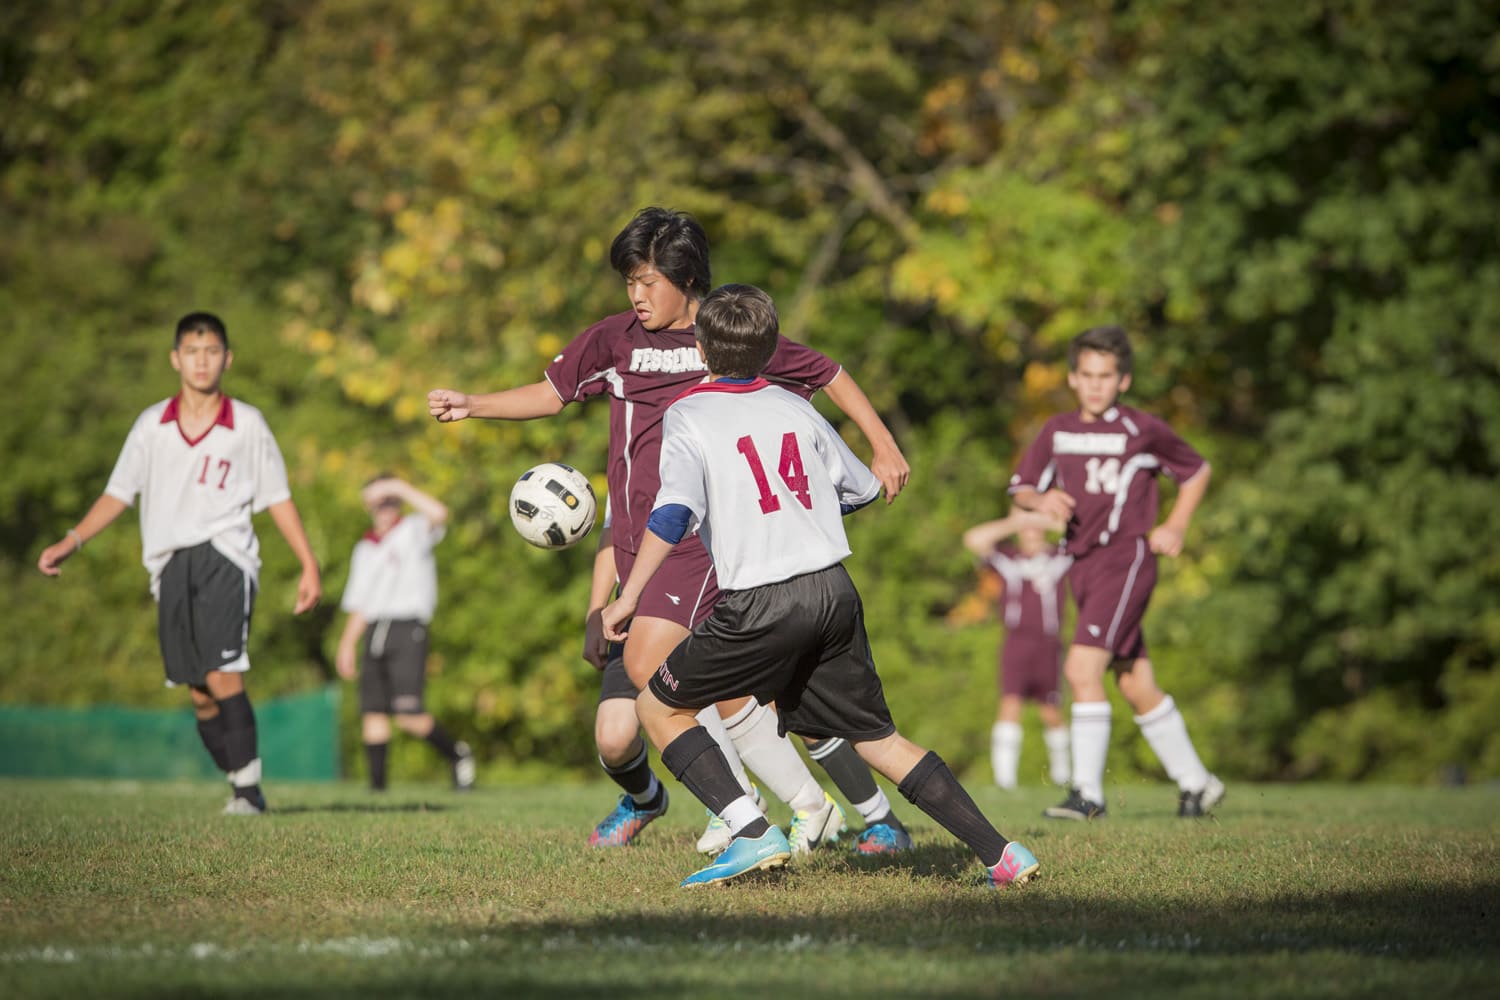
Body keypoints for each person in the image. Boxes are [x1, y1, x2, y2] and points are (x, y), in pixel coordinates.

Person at [431, 207, 913, 854]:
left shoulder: (725, 335)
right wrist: (474, 404)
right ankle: (787, 805)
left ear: (687, 280)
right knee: (729, 689)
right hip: (638, 546)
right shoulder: (615, 340)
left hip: (696, 543)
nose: (636, 294)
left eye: (648, 280)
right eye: (629, 280)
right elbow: (551, 393)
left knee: (655, 666)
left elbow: (827, 372)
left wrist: (882, 445)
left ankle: (754, 812)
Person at [601, 283, 1039, 888]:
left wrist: (627, 595)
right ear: (770, 347)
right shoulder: (793, 405)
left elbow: (673, 512)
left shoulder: (688, 413)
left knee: (658, 704)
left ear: (701, 348)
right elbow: (859, 488)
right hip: (832, 591)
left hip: (760, 600)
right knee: (878, 738)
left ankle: (751, 834)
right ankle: (1003, 853)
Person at [37, 311, 322, 814]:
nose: (202, 360)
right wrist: (72, 540)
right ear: (176, 359)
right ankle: (240, 777)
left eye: (212, 351)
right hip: (168, 564)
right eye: (192, 351)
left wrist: (308, 564)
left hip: (226, 555)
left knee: (223, 669)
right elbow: (118, 493)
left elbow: (277, 497)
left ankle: (248, 793)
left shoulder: (247, 424)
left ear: (227, 359)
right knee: (198, 689)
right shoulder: (152, 425)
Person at [1008, 324, 1224, 819]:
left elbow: (1197, 471)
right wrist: (1040, 498)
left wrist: (1176, 523)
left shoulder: (1141, 430)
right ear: (1072, 378)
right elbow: (1020, 487)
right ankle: (1198, 783)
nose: (1095, 385)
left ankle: (1087, 795)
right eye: (1087, 375)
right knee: (1133, 681)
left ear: (1123, 381)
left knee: (1081, 669)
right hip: (1079, 567)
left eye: (1106, 376)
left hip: (1126, 560)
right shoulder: (1056, 430)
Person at [335, 475, 475, 792]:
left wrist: (398, 486)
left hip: (407, 628)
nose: (385, 507)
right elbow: (359, 603)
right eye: (379, 501)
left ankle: (457, 755)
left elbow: (439, 513)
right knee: (373, 712)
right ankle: (377, 791)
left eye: (390, 501)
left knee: (408, 714)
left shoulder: (412, 530)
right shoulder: (364, 548)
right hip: (375, 630)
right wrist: (346, 643)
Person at [962, 510, 1073, 790]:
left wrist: (1043, 517)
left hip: (1048, 642)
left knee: (1052, 709)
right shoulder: (1008, 559)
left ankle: (1063, 774)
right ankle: (1005, 778)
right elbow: (973, 539)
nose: (1031, 534)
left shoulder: (1058, 558)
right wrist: (1015, 521)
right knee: (1010, 703)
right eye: (1027, 530)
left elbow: (1083, 533)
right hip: (1017, 642)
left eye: (1036, 530)